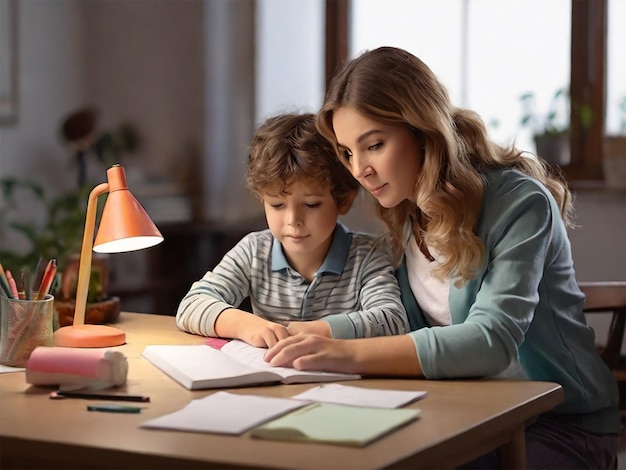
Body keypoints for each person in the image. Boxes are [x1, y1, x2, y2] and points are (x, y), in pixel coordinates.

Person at [264, 47, 620, 469]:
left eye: (373, 145)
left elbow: (491, 340)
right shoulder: (407, 209)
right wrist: (308, 333)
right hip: (463, 410)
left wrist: (340, 351)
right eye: (346, 153)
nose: (359, 169)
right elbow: (395, 319)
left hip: (557, 422)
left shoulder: (521, 204)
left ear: (422, 131)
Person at [176, 112, 409, 348]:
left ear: (343, 200)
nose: (293, 220)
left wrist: (320, 330)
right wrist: (246, 325)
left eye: (311, 205)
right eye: (277, 205)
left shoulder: (368, 256)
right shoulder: (254, 252)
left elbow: (392, 320)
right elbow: (192, 305)